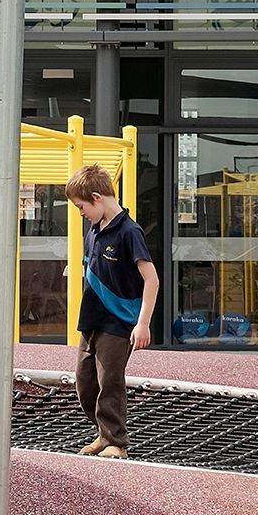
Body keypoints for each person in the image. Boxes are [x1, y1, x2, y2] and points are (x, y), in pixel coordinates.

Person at [65, 163, 158, 459]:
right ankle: (104, 433)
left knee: (110, 381)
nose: (80, 213)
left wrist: (142, 324)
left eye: (81, 207)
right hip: (92, 318)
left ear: (96, 198)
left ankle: (117, 443)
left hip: (119, 323)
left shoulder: (130, 232)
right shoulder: (93, 230)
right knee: (84, 382)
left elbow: (152, 279)